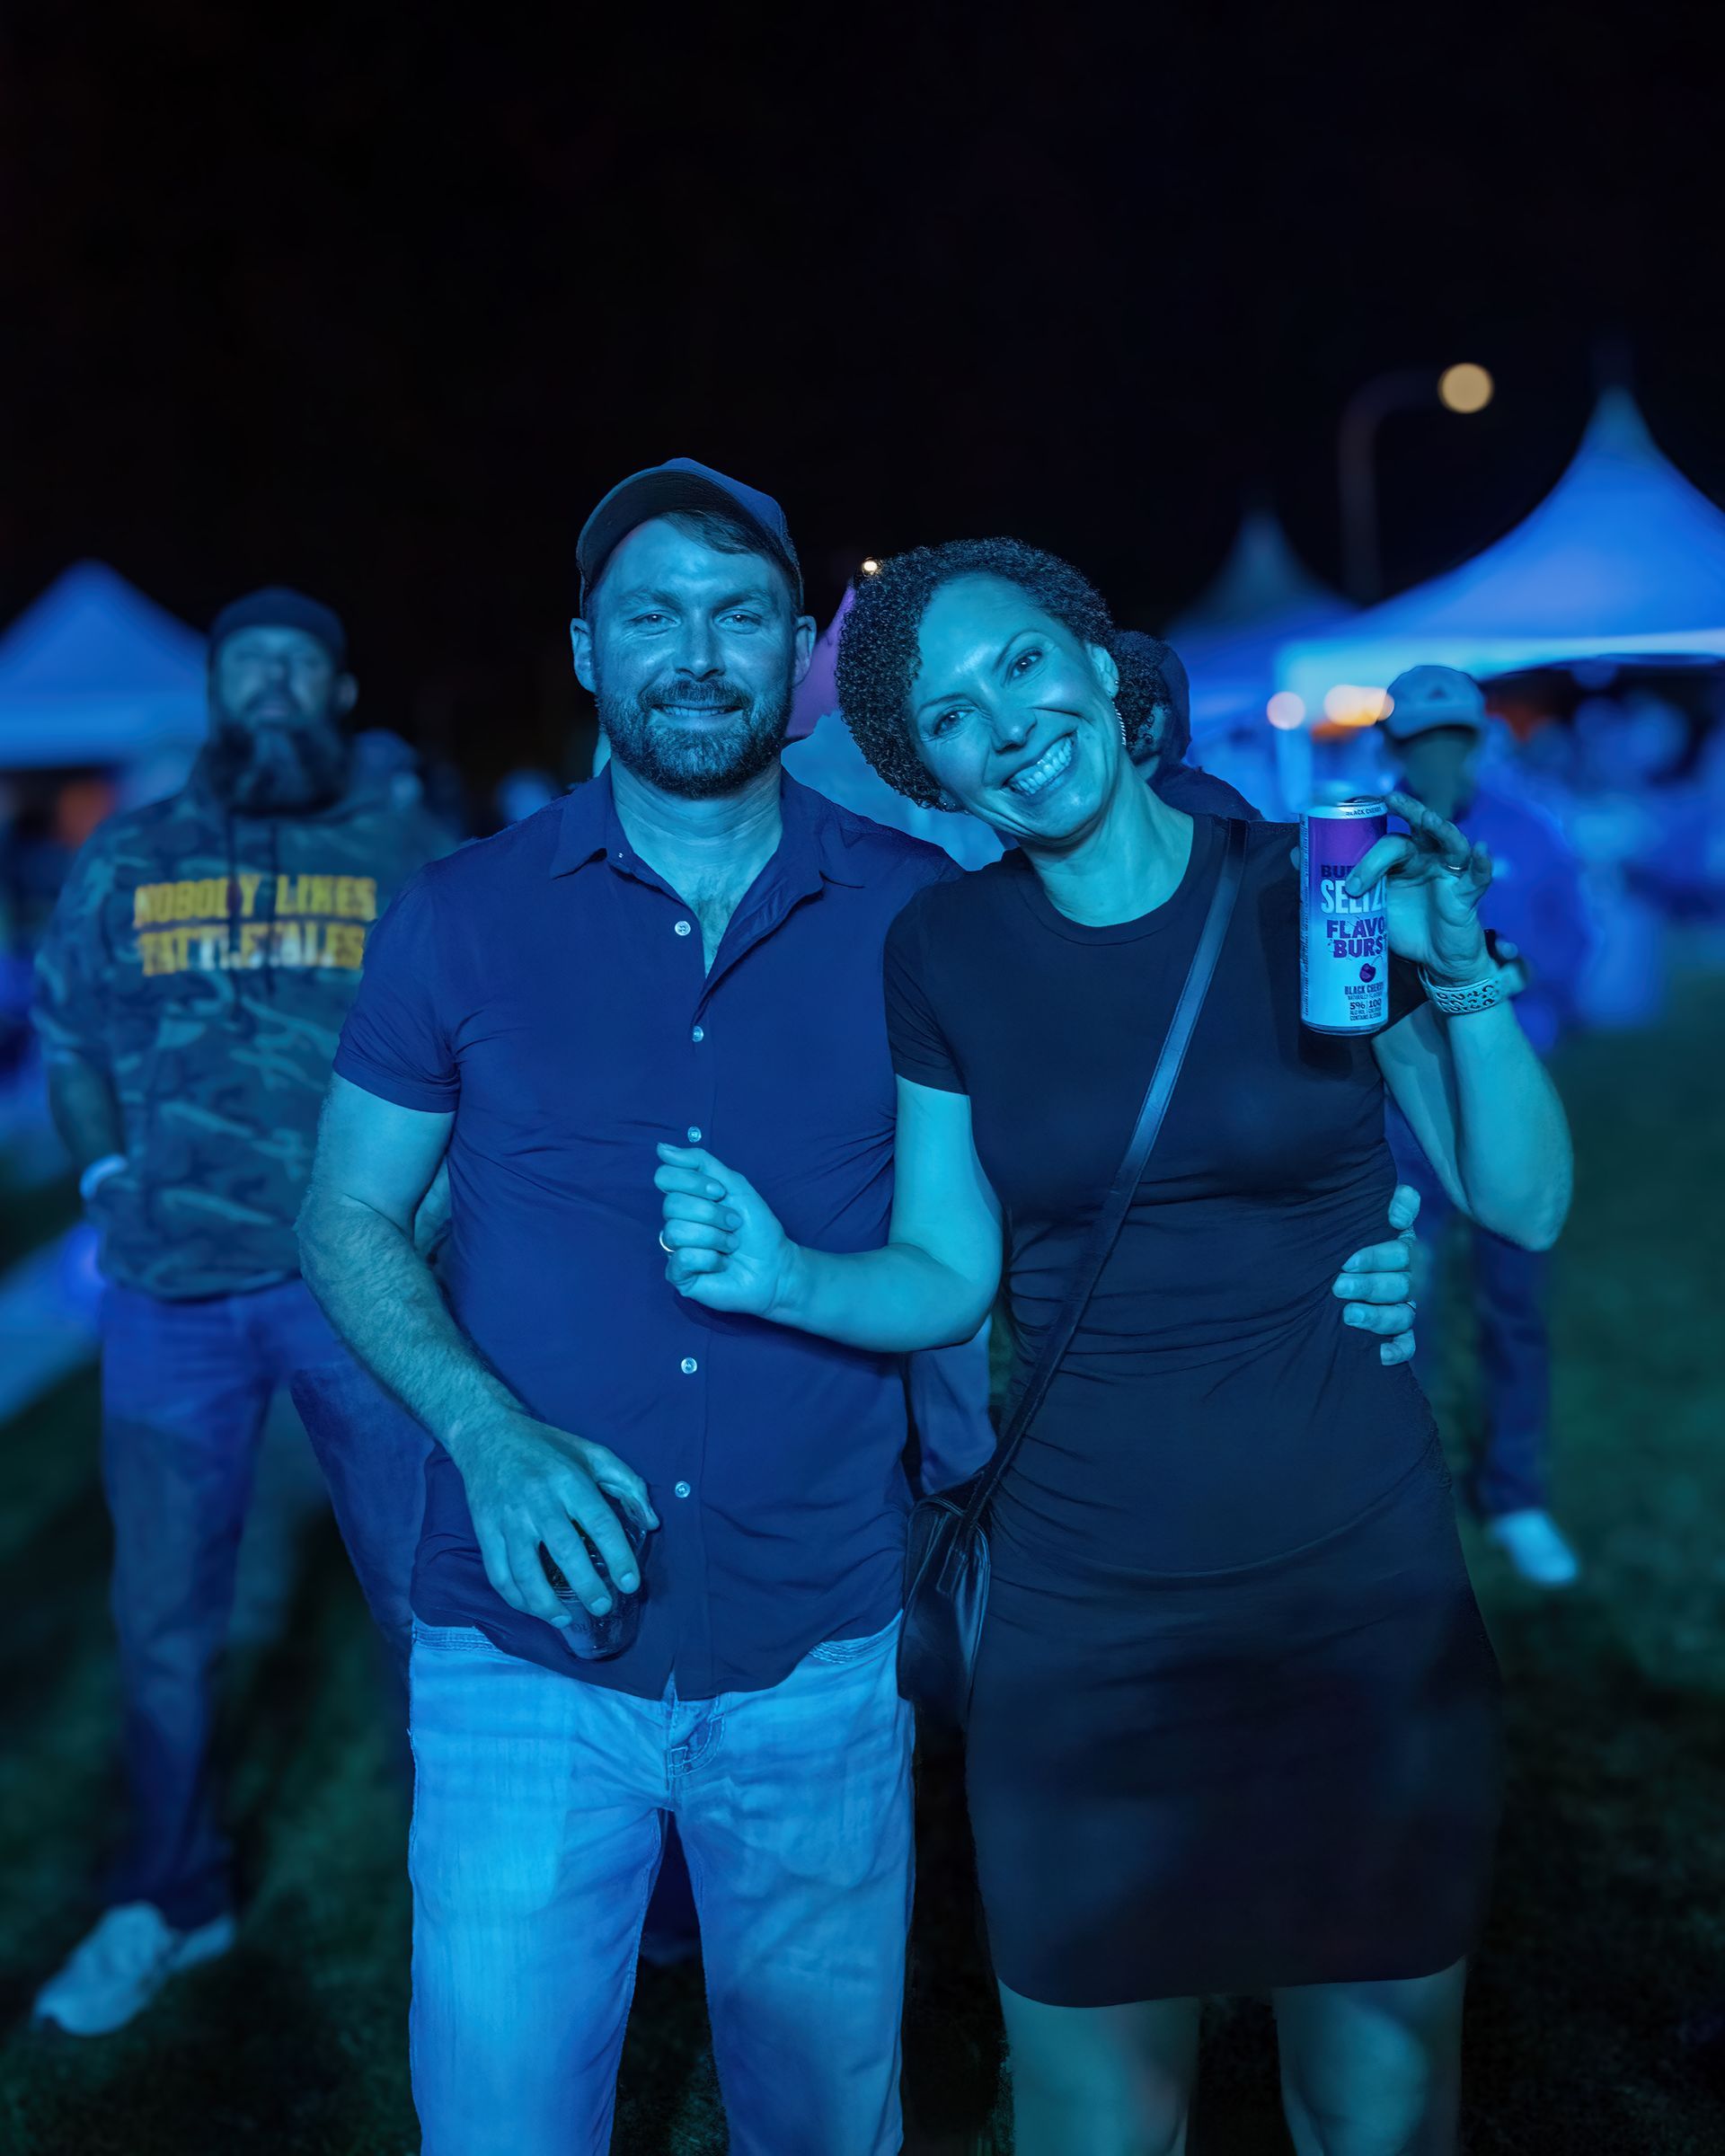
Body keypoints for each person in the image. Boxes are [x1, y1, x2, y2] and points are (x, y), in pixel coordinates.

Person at [294, 461, 1422, 2156]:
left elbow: (1138, 1105)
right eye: (654, 614)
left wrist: (1359, 1236)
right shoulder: (460, 914)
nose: (698, 652)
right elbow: (346, 1213)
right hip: (523, 1658)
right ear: (587, 648)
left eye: (741, 614)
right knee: (502, 2124)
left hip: (820, 1645)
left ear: (804, 651)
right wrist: (488, 1435)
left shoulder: (928, 910)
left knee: (827, 2125)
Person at [654, 537, 1573, 2156]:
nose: (1000, 722)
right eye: (944, 715)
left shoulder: (1316, 884)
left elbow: (1526, 1201)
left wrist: (1465, 980)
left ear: (1100, 666)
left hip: (1352, 1602)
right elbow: (948, 1269)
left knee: (1374, 2107)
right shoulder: (944, 954)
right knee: (1094, 2120)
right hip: (1086, 1633)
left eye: (1019, 665)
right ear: (922, 765)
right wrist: (786, 1274)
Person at [29, 588, 450, 2037]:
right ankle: (173, 1893)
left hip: (361, 1291)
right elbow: (70, 1031)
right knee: (162, 1618)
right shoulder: (132, 854)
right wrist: (99, 1165)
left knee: (424, 1595)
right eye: (243, 666)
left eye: (298, 665)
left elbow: (486, 1039)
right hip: (169, 1308)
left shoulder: (403, 851)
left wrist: (440, 1212)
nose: (269, 686)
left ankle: (470, 1880)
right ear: (216, 695)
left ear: (338, 692)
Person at [1381, 666, 1590, 1587]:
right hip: (1402, 1115)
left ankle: (1515, 1496)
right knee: (1404, 1306)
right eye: (1417, 739)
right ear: (1396, 746)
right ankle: (1409, 1495)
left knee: (1514, 1304)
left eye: (1450, 737)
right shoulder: (1366, 842)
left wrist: (1513, 977)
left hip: (1507, 1103)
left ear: (1473, 740)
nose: (1435, 753)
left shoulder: (1529, 832)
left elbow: (1572, 945)